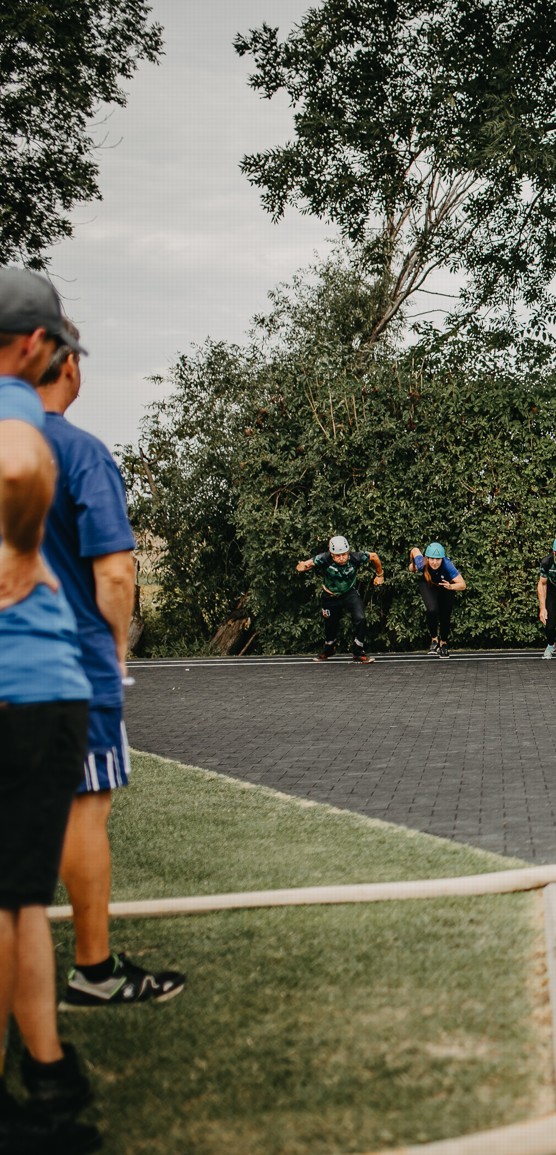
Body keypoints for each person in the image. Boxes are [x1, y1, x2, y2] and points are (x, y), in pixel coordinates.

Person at [30, 322, 187, 1024]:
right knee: (83, 807)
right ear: (65, 366)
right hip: (68, 665)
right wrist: (115, 649)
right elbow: (117, 573)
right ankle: (93, 969)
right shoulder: (79, 451)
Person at [0, 269, 103, 1153]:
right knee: (17, 898)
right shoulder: (19, 404)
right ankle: (41, 1075)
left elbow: (18, 465)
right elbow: (17, 466)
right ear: (38, 345)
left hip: (25, 686)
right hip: (36, 684)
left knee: (12, 895)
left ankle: (36, 1077)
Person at [295, 536, 384, 661]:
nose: (341, 558)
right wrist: (302, 566)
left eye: (344, 554)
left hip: (349, 593)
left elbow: (374, 556)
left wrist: (380, 575)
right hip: (330, 597)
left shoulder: (355, 558)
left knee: (361, 618)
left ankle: (358, 651)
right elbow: (307, 563)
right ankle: (329, 649)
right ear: (331, 554)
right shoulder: (324, 558)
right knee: (330, 624)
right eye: (337, 555)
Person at [410, 543, 465, 657]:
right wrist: (413, 565)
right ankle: (434, 639)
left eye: (438, 559)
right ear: (427, 558)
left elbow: (463, 585)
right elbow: (414, 550)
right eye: (432, 559)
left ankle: (443, 642)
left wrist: (451, 586)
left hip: (446, 586)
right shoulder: (422, 563)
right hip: (428, 584)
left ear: (442, 559)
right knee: (432, 609)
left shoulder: (447, 565)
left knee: (445, 614)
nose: (435, 562)